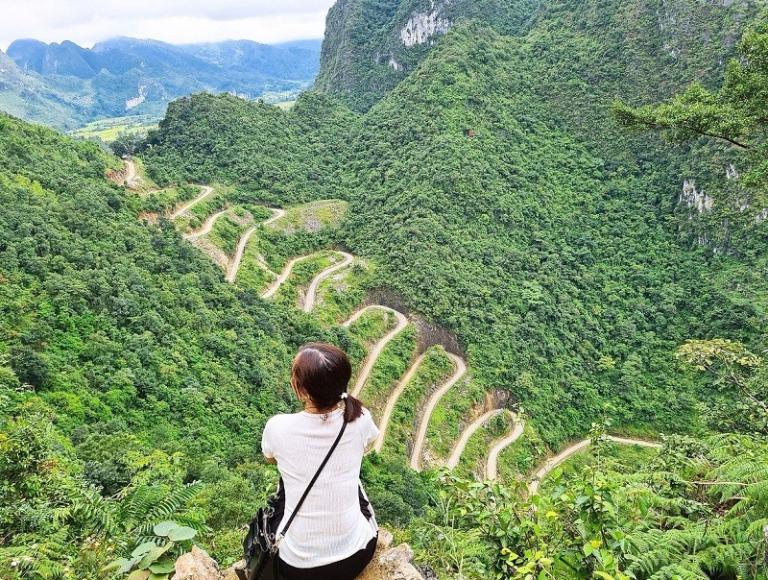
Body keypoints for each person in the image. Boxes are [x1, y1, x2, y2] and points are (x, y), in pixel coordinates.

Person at [261, 343, 380, 580]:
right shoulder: (361, 418)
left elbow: (269, 459)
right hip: (357, 555)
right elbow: (370, 444)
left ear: (302, 390)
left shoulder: (278, 427)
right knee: (356, 486)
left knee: (282, 493)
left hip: (297, 568)